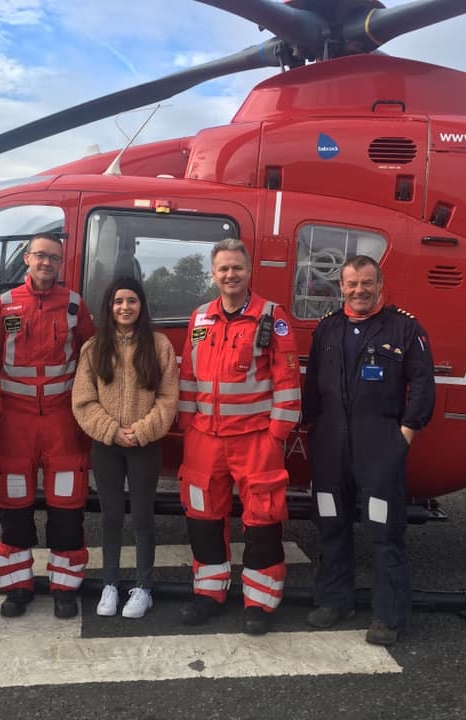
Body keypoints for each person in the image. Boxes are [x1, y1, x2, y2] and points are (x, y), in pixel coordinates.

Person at [302, 255, 435, 645]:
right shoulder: (327, 329)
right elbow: (312, 388)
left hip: (379, 449)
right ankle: (333, 601)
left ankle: (389, 618)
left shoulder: (405, 328)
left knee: (384, 531)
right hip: (330, 448)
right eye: (351, 284)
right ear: (340, 287)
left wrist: (404, 436)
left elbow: (424, 385)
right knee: (331, 525)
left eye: (366, 283)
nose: (359, 290)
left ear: (380, 285)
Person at [176, 238, 302, 636]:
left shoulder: (272, 317)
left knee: (263, 521)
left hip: (255, 440)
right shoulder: (199, 319)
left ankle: (259, 603)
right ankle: (208, 594)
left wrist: (277, 435)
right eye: (223, 269)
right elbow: (188, 378)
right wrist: (188, 426)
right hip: (204, 441)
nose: (230, 275)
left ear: (249, 272)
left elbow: (287, 379)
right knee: (202, 518)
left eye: (237, 268)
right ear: (213, 274)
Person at [0, 234, 96, 619]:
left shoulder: (75, 305)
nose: (46, 262)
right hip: (17, 421)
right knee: (13, 504)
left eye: (53, 258)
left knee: (68, 506)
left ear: (61, 263)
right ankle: (17, 587)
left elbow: (90, 356)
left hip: (63, 420)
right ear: (27, 258)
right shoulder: (5, 304)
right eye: (40, 256)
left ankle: (66, 588)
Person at [71, 277, 179, 618]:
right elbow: (83, 400)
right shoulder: (93, 347)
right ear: (110, 306)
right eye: (118, 301)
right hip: (107, 446)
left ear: (141, 305)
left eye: (132, 301)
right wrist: (113, 431)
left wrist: (142, 431)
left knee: (143, 517)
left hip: (145, 446)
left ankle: (143, 588)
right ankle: (110, 585)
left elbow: (168, 398)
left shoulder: (159, 345)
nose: (125, 307)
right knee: (112, 517)